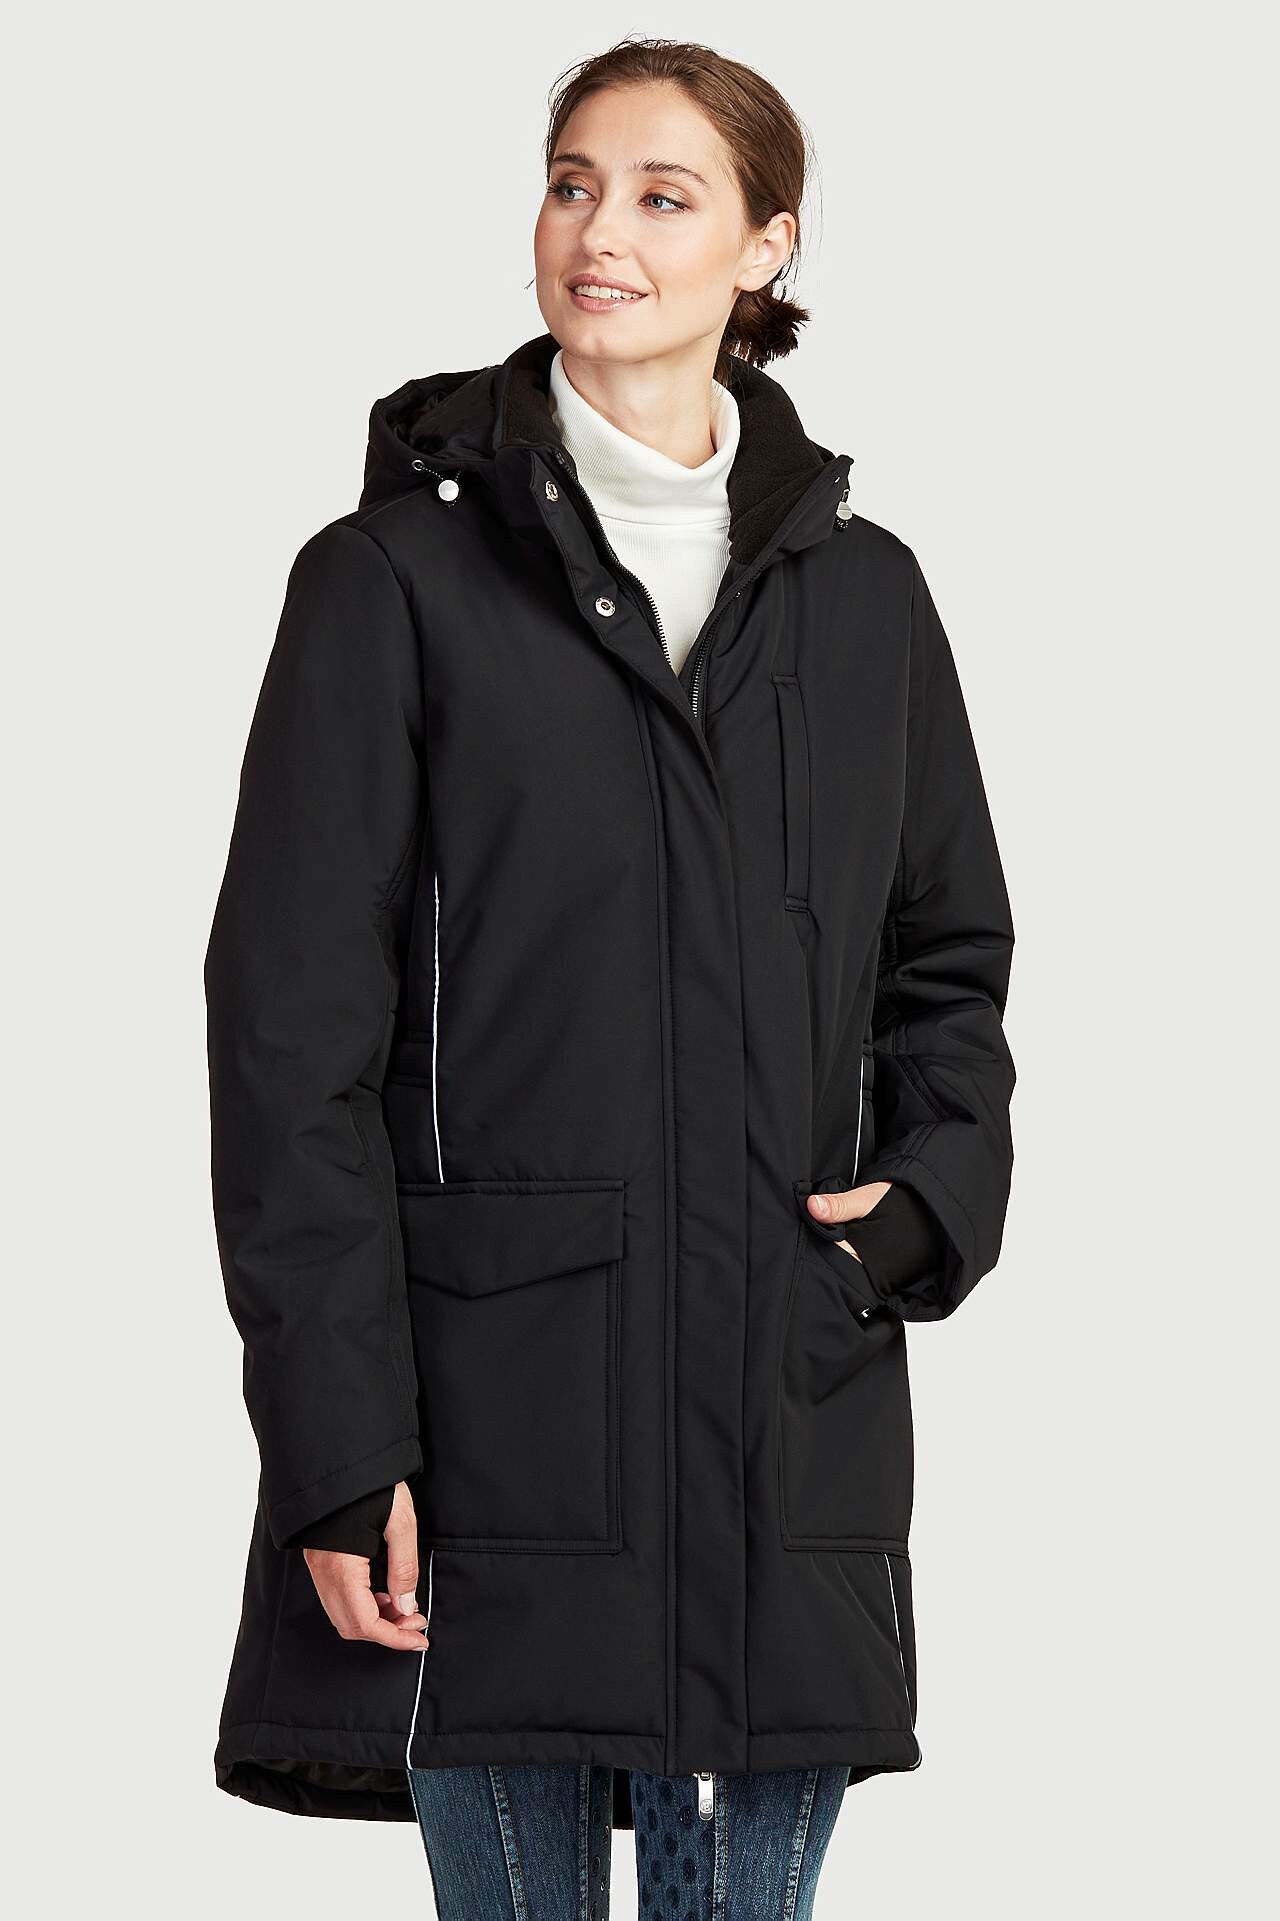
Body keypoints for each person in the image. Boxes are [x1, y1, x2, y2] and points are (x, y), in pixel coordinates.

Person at [203, 36, 1016, 1919]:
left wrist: (926, 1204)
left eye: (663, 194)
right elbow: (288, 1045)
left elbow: (948, 957)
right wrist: (339, 1448)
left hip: (785, 1405)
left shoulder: (866, 596)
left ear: (766, 245)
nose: (601, 233)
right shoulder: (392, 584)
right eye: (572, 184)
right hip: (493, 1425)